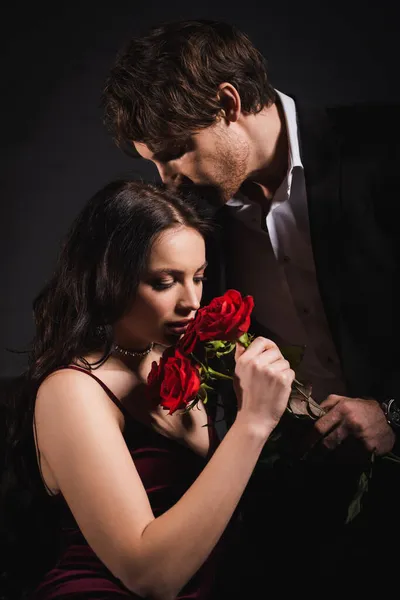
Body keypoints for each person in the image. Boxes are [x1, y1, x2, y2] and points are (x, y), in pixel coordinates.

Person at [102, 19, 400, 591]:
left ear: (228, 103)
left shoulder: (384, 149)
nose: (165, 181)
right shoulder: (194, 219)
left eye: (174, 153)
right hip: (298, 521)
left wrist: (394, 413)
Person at [0, 180, 294, 600]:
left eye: (198, 277)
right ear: (107, 279)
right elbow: (151, 576)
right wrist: (253, 422)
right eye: (164, 282)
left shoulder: (179, 362)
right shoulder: (74, 390)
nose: (192, 301)